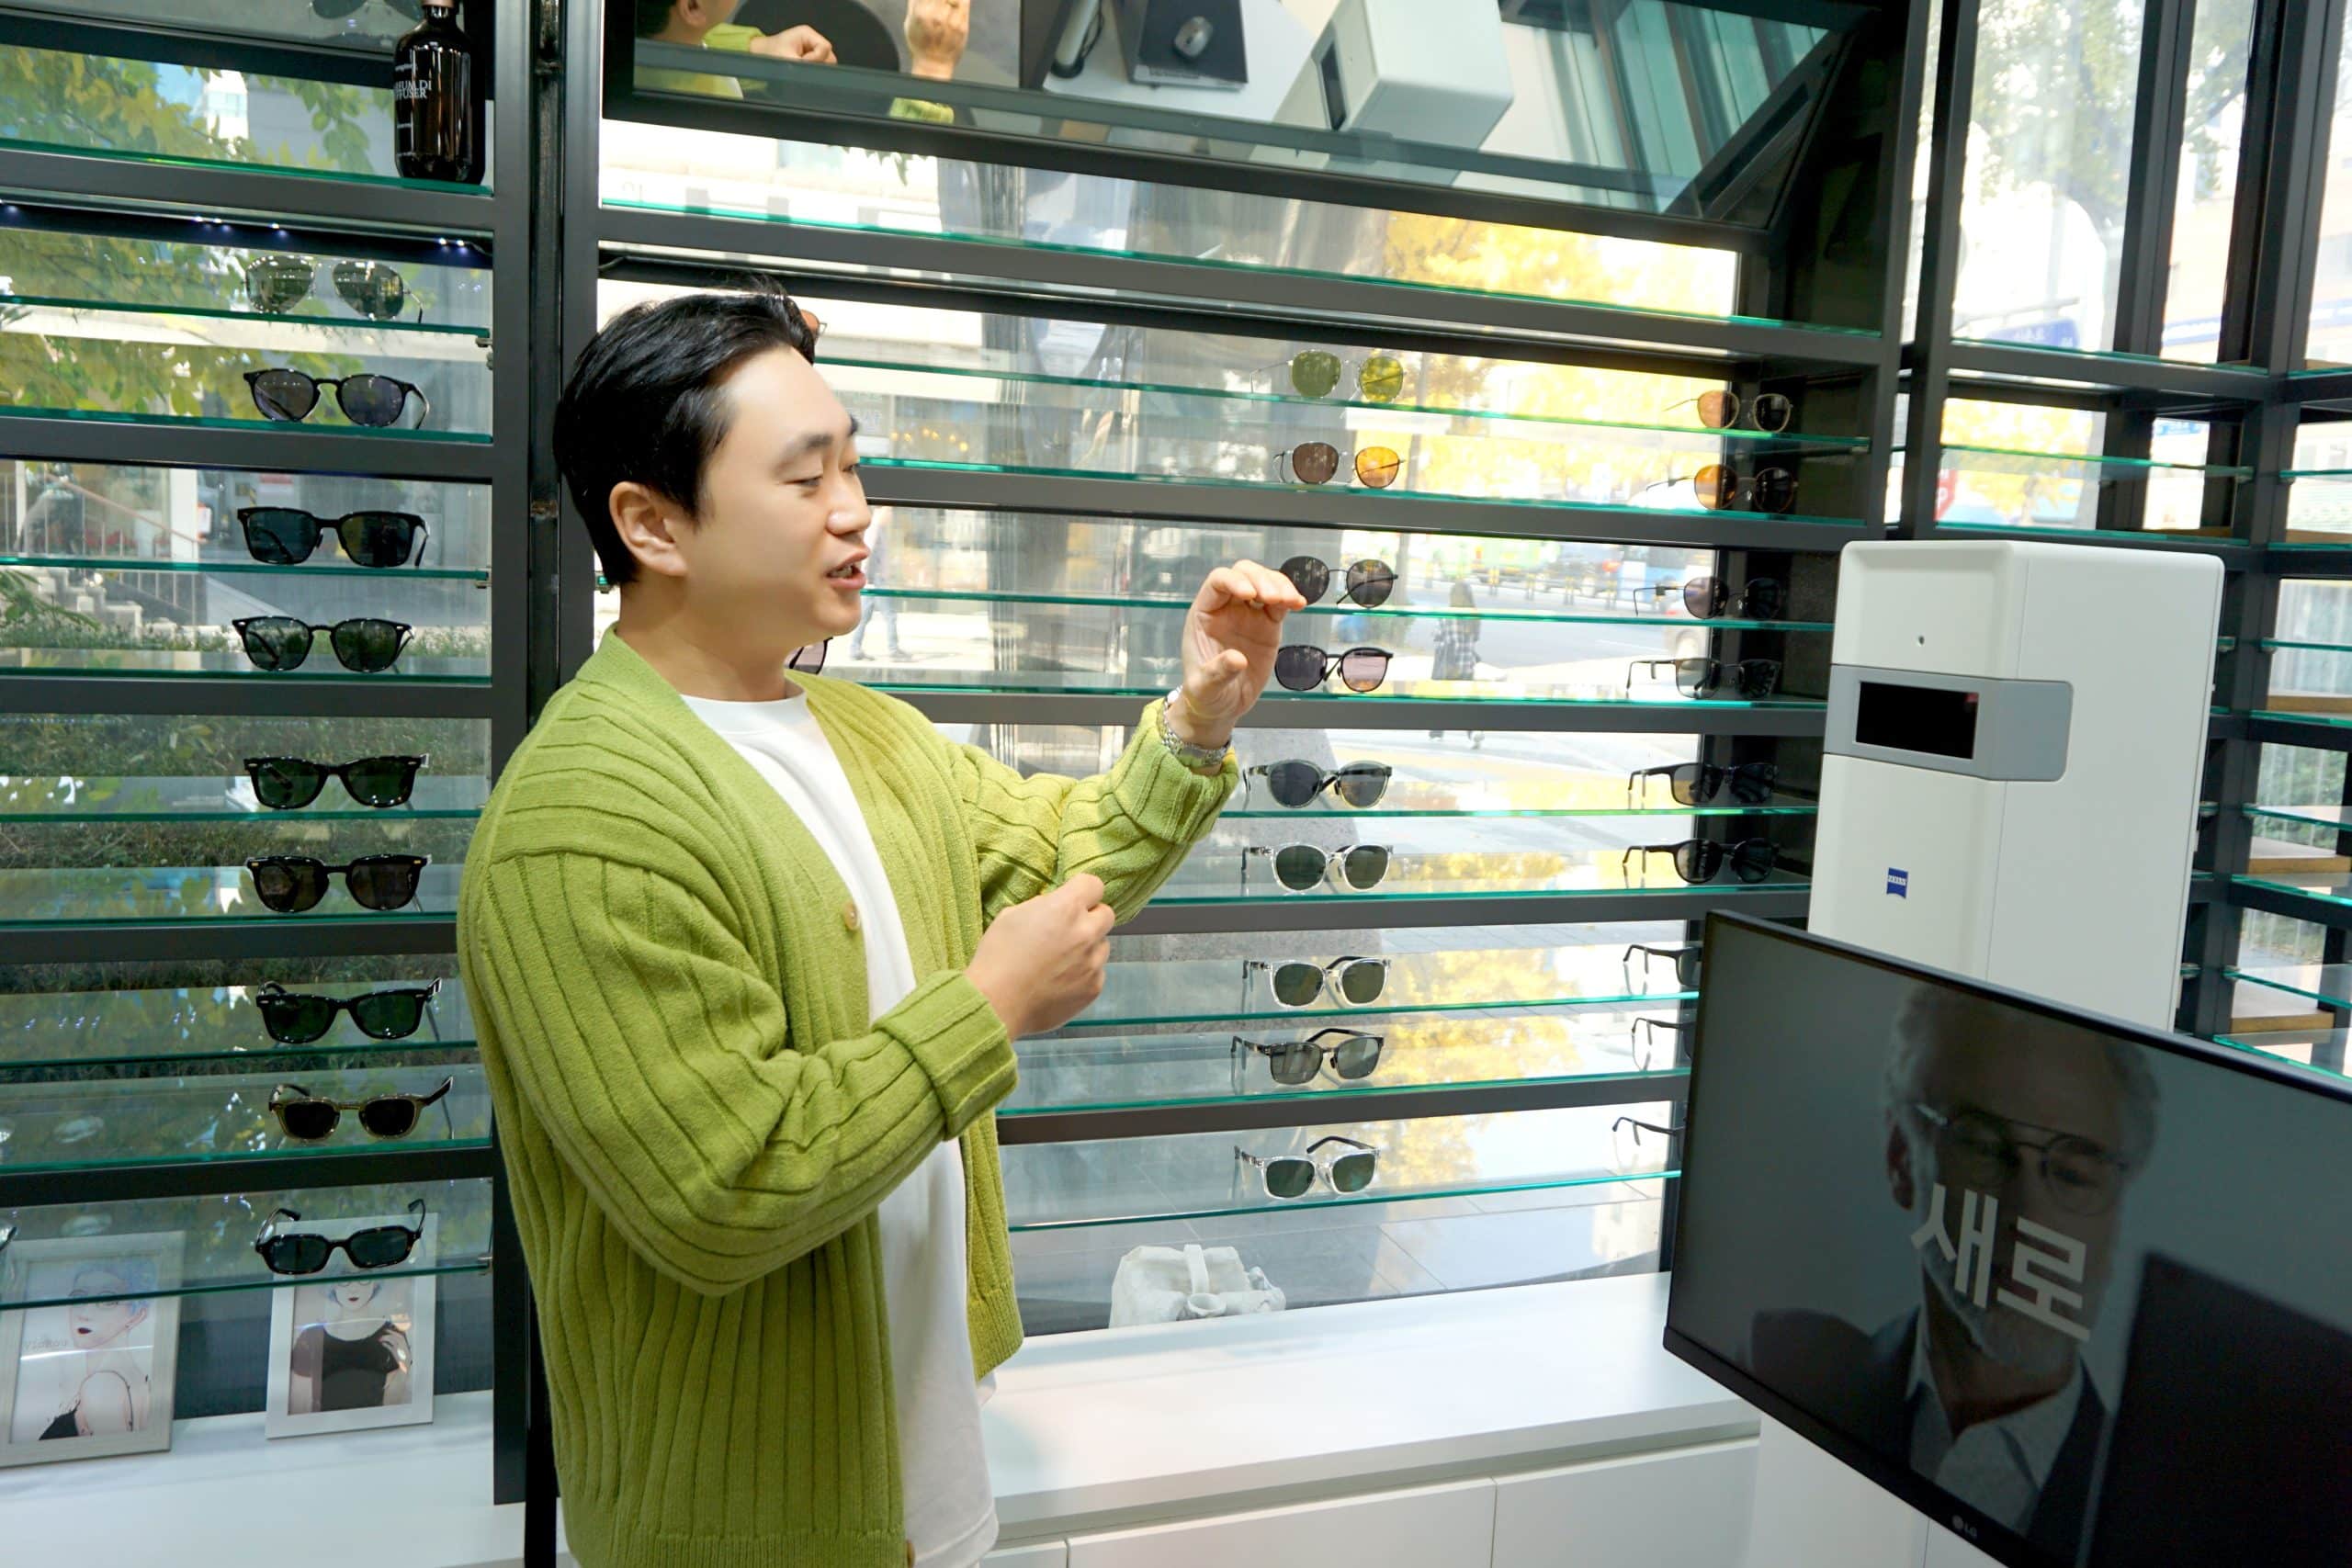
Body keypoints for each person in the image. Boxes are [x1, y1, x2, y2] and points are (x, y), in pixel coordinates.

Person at [457, 286, 1303, 1568]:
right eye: (806, 478)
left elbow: (1064, 858)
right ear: (650, 523)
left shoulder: (866, 731)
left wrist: (1196, 722)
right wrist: (990, 1007)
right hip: (733, 1526)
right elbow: (724, 1188)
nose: (856, 510)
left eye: (853, 466)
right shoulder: (579, 822)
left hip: (924, 1469)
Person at [1747, 983, 2160, 1561]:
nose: (2028, 1217)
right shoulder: (1783, 1363)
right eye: (1985, 1148)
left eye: (2073, 1174)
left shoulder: (2162, 1521)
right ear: (1900, 1158)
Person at [288, 1280, 413, 1415]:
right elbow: (301, 1407)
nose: (353, 1289)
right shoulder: (311, 1336)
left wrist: (404, 1368)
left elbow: (391, 1407)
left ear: (375, 1283)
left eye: (363, 1279)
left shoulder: (391, 1335)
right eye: (344, 1280)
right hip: (325, 1425)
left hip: (375, 1423)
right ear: (333, 1285)